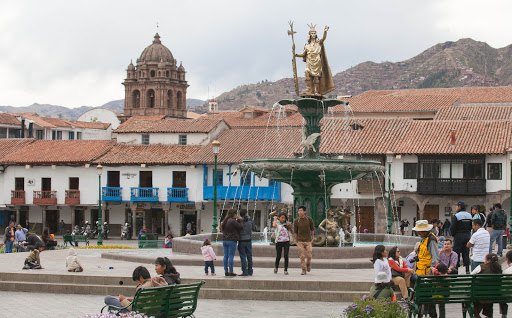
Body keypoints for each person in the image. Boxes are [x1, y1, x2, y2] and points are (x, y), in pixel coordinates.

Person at [295, 24, 334, 96]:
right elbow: (304, 54)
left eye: (314, 33)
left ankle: (316, 91)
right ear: (309, 34)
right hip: (309, 61)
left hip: (317, 62)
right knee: (307, 72)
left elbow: (323, 38)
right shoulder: (307, 45)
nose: (313, 34)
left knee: (316, 76)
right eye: (312, 33)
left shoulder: (318, 43)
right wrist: (296, 55)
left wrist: (325, 31)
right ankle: (308, 88)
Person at [471, 254, 502, 318]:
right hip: (494, 295)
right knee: (488, 296)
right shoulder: (499, 269)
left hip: (479, 295)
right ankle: (488, 316)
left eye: (485, 259)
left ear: (488, 261)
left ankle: (476, 315)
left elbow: (471, 276)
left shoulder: (481, 267)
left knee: (473, 298)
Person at [450, 200, 472, 274]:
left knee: (456, 253)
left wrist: (453, 235)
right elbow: (471, 226)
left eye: (457, 206)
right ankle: (467, 270)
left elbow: (453, 227)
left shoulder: (457, 215)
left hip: (458, 235)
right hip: (467, 235)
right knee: (466, 252)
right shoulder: (469, 215)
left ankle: (456, 270)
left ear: (459, 207)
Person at [220, 210, 243, 276]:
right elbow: (240, 227)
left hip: (225, 240)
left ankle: (226, 271)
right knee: (231, 256)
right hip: (232, 240)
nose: (236, 215)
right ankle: (231, 271)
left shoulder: (225, 221)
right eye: (236, 214)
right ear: (234, 214)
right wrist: (240, 220)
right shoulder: (232, 221)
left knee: (225, 256)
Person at [294, 206, 315, 275]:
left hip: (308, 241)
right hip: (300, 241)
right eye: (299, 211)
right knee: (302, 256)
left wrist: (312, 238)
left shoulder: (309, 219)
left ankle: (308, 264)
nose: (300, 212)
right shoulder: (296, 221)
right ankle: (303, 269)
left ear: (305, 212)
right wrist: (296, 241)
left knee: (309, 255)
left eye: (301, 211)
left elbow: (312, 229)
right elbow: (295, 232)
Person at [238, 210, 258, 276]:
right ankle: (250, 271)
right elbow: (255, 228)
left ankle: (244, 271)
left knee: (243, 257)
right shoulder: (250, 220)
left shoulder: (239, 221)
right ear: (246, 213)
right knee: (249, 256)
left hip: (241, 240)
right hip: (249, 240)